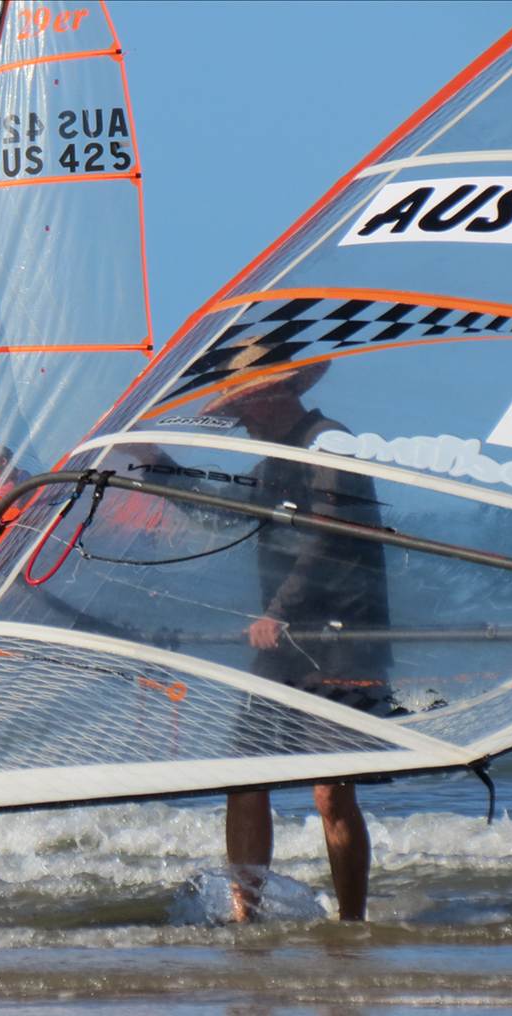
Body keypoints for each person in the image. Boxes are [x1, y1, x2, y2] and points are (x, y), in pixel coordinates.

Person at [202, 349, 392, 923]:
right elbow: (225, 512)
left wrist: (278, 611)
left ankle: (352, 920)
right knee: (246, 776)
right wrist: (149, 466)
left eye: (243, 407)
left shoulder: (329, 443)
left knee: (331, 790)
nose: (242, 421)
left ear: (271, 394)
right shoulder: (271, 458)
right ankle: (245, 915)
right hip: (282, 642)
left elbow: (329, 535)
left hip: (342, 639)